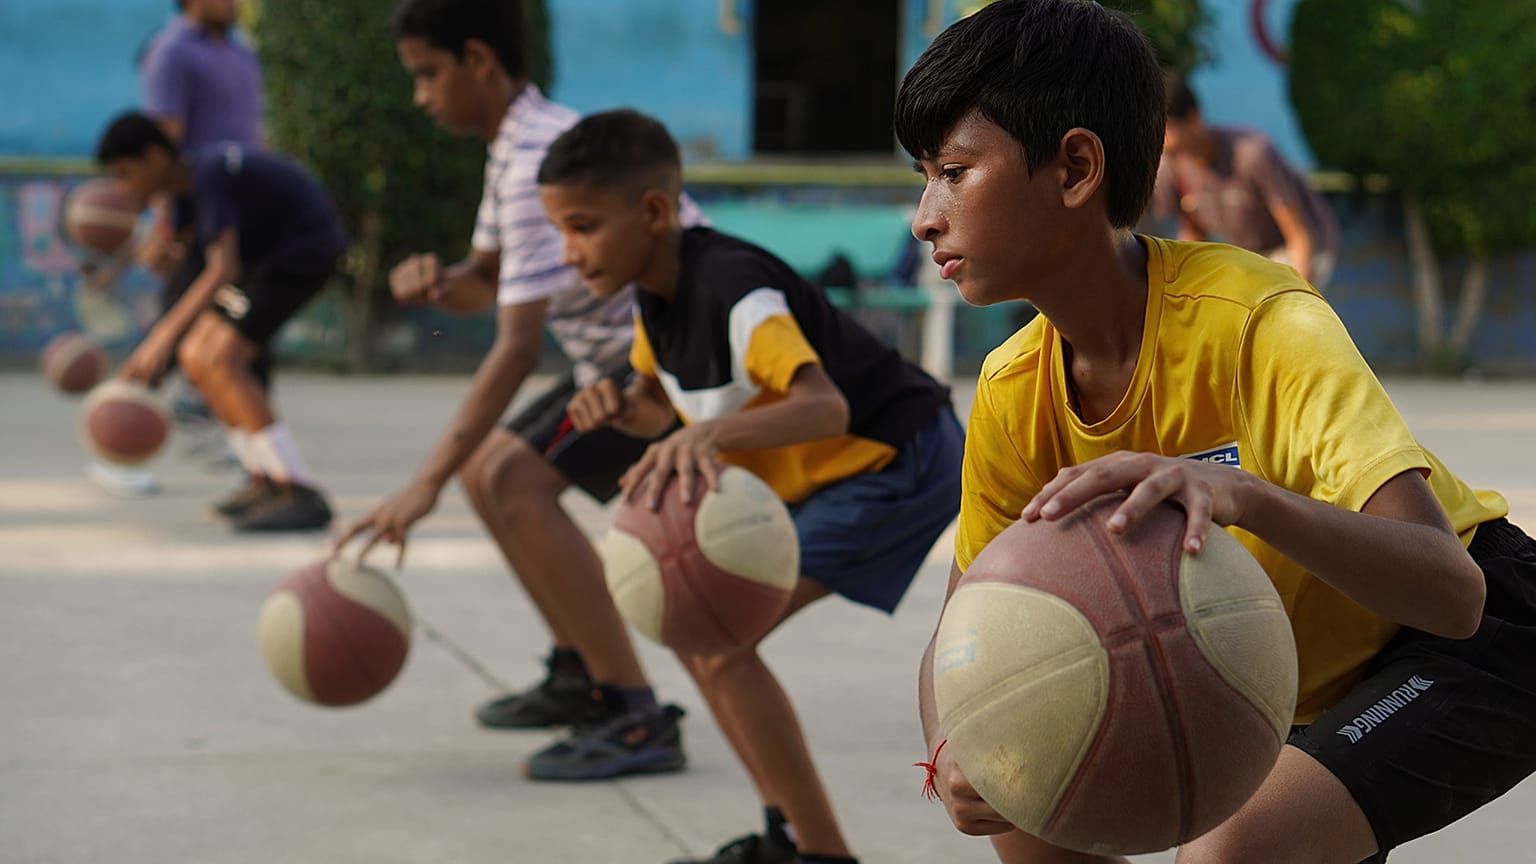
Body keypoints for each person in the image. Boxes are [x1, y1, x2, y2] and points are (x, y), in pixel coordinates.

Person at [896, 2, 1536, 862]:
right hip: (1283, 683)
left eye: (953, 171)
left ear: (1077, 167)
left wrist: (1245, 496)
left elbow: (1451, 595)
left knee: (1234, 848)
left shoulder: (1258, 319)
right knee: (1027, 799)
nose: (924, 216)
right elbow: (967, 623)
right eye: (923, 176)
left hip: (1465, 640)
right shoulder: (1014, 389)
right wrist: (955, 745)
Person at [549, 109, 964, 864]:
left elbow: (823, 405)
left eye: (582, 226)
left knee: (720, 637)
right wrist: (622, 409)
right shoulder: (654, 291)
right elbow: (660, 407)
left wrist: (701, 436)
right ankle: (788, 833)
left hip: (900, 458)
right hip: (838, 471)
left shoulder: (735, 290)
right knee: (697, 629)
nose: (571, 252)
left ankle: (821, 853)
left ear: (653, 211)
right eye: (562, 232)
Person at [331, 0, 701, 781]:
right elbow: (491, 287)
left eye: (428, 75)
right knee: (487, 473)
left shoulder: (538, 151)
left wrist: (418, 486)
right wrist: (440, 283)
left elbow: (515, 343)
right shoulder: (514, 145)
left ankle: (634, 714)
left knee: (505, 477)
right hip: (607, 358)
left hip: (671, 363)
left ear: (478, 60)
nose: (420, 96)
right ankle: (580, 670)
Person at [96, 112, 341, 532]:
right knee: (196, 356)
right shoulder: (184, 191)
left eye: (125, 173)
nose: (123, 187)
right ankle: (263, 478)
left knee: (222, 359)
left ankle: (298, 489)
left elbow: (221, 269)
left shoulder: (207, 175)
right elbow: (197, 265)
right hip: (264, 262)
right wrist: (167, 263)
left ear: (153, 158)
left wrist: (161, 336)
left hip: (300, 254)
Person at [87, 0, 270, 498]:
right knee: (175, 326)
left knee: (253, 337)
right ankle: (114, 447)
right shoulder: (171, 52)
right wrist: (165, 223)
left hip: (248, 208)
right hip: (201, 211)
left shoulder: (241, 53)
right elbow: (164, 142)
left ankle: (255, 459)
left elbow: (254, 133)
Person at [1154, 71, 1338, 291]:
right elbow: (1194, 235)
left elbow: (1299, 236)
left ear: (1193, 118)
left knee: (1275, 313)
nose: (1156, 139)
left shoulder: (1251, 153)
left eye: (1163, 128)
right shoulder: (1170, 167)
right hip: (1251, 254)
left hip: (1301, 246)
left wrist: (1299, 299)